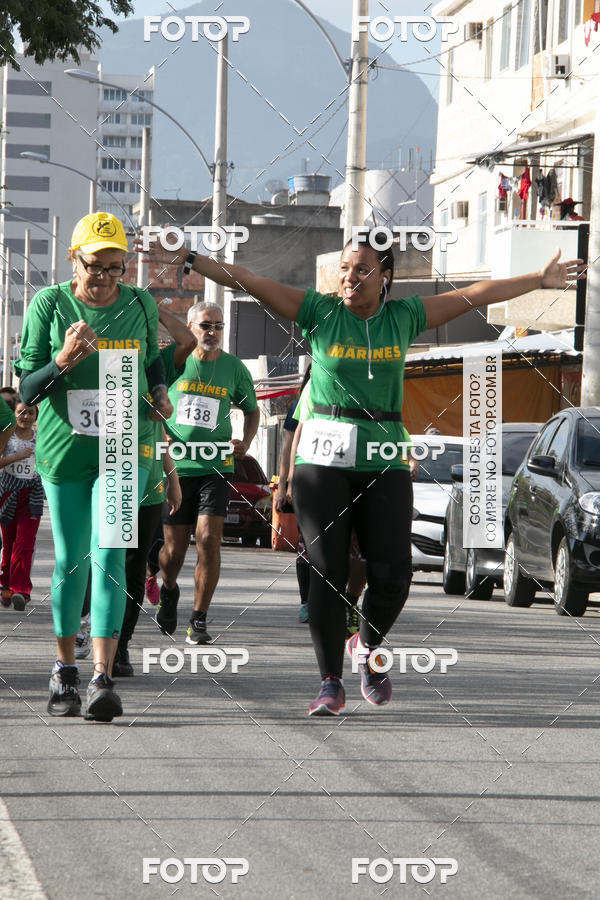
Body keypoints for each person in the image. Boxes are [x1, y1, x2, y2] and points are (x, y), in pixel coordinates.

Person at [137, 231, 584, 716]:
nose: (349, 277)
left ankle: (367, 648)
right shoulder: (319, 312)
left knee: (394, 573)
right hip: (322, 462)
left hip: (384, 456)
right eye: (345, 269)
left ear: (385, 276)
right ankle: (330, 681)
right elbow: (251, 279)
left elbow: (475, 295)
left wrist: (539, 279)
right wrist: (193, 259)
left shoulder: (404, 316)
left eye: (362, 269)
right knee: (328, 573)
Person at [17, 211, 172, 722]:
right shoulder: (50, 303)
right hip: (66, 452)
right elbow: (25, 388)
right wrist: (62, 359)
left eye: (115, 267)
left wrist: (159, 390)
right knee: (72, 562)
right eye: (94, 265)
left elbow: (153, 361)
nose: (104, 276)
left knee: (110, 558)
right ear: (73, 259)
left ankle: (102, 677)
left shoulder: (141, 304)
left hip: (121, 449)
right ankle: (64, 670)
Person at [155, 300, 260, 644]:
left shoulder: (234, 368)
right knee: (174, 552)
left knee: (209, 541)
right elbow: (146, 401)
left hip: (217, 465)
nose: (212, 332)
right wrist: (162, 432)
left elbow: (251, 409)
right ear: (190, 328)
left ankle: (198, 619)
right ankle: (168, 588)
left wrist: (244, 441)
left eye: (218, 325)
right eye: (205, 326)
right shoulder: (172, 361)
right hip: (176, 466)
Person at [112, 301, 196, 676]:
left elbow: (187, 339)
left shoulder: (155, 362)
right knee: (104, 561)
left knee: (133, 566)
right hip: (104, 475)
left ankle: (121, 644)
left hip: (147, 479)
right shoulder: (99, 353)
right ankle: (94, 630)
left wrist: (153, 308)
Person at [274, 366, 311, 623]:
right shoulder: (300, 405)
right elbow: (288, 448)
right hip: (306, 481)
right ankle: (307, 602)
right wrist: (285, 486)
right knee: (307, 545)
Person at [0, 402, 43, 610]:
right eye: (21, 412)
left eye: (30, 413)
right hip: (8, 494)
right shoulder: (7, 435)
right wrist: (18, 456)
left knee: (25, 544)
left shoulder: (40, 438)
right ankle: (5, 587)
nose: (26, 416)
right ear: (14, 414)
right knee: (8, 545)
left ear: (36, 415)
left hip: (32, 496)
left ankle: (21, 591)